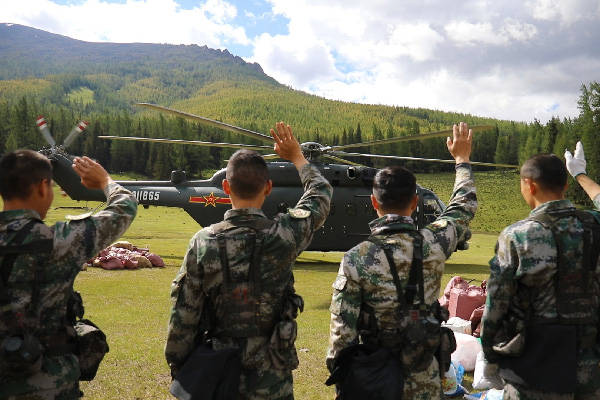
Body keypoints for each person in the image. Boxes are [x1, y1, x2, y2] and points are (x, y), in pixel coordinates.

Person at [165, 122, 333, 400]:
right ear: (268, 187)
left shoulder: (203, 241)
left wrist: (182, 370)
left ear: (225, 187)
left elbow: (184, 316)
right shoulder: (285, 234)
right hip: (273, 377)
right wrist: (297, 157)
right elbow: (321, 192)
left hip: (218, 372)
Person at [326, 122, 477, 399]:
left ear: (374, 202)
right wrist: (462, 160)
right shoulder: (434, 243)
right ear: (415, 202)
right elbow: (463, 207)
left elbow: (342, 335)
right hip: (425, 379)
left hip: (375, 379)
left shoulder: (356, 258)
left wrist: (343, 382)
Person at [0, 150, 137, 399]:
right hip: (50, 384)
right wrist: (105, 181)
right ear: (43, 187)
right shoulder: (60, 241)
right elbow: (124, 208)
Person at [480, 142, 600, 399]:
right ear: (565, 185)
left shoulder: (518, 236)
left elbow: (496, 305)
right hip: (589, 366)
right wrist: (580, 174)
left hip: (535, 367)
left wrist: (489, 357)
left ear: (529, 185)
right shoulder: (594, 225)